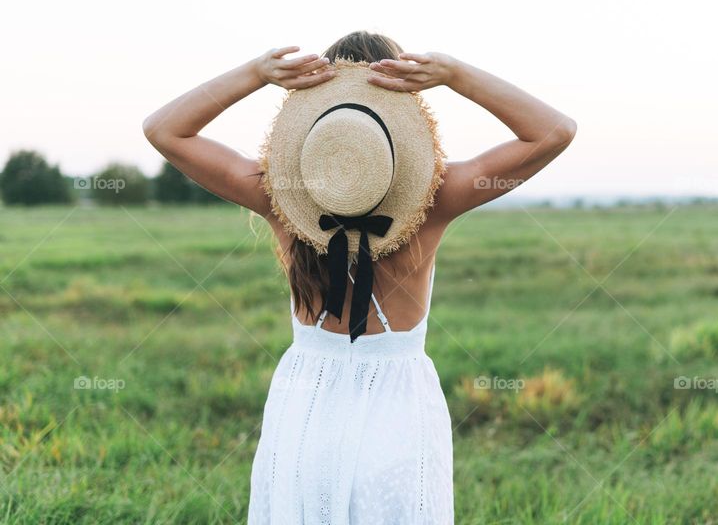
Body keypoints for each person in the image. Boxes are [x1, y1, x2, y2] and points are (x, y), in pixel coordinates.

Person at [142, 30, 577, 523]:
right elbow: (554, 131)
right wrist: (454, 75)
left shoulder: (279, 193)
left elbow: (164, 130)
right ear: (404, 116)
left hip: (303, 409)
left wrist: (257, 74)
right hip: (396, 413)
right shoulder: (437, 196)